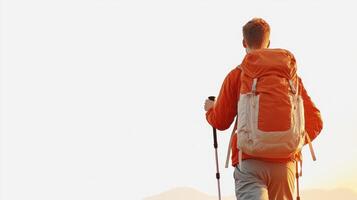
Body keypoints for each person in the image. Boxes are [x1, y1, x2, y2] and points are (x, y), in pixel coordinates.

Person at [204, 18, 323, 200]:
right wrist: (289, 142)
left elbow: (220, 121)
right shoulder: (290, 79)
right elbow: (316, 121)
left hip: (249, 162)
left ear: (244, 42)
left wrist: (211, 110)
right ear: (268, 42)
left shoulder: (237, 75)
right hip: (285, 166)